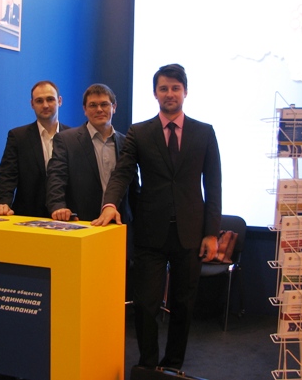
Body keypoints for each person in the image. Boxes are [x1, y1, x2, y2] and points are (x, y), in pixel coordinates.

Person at [93, 63, 222, 370]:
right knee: (145, 305)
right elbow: (122, 173)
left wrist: (211, 233)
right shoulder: (139, 132)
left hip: (190, 233)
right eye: (163, 88)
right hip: (150, 233)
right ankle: (148, 366)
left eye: (175, 88)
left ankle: (173, 365)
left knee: (183, 305)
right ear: (155, 93)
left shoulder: (204, 132)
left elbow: (213, 185)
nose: (169, 93)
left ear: (185, 92)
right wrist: (109, 204)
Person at [46, 83, 136, 223]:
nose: (99, 109)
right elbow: (56, 177)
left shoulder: (126, 142)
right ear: (85, 110)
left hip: (119, 224)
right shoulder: (66, 140)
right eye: (93, 105)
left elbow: (134, 187)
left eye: (104, 104)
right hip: (83, 223)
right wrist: (58, 207)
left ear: (114, 107)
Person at [0, 81, 70, 217]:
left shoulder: (72, 137)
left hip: (64, 214)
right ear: (32, 104)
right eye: (39, 101)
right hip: (28, 215)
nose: (45, 105)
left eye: (50, 99)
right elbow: (8, 175)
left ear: (59, 101)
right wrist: (3, 203)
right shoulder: (18, 137)